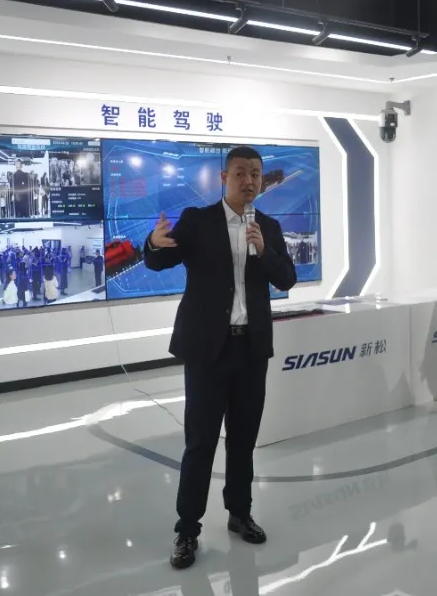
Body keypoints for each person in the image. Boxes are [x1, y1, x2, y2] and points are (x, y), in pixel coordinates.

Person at [143, 145, 297, 570]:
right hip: (208, 351)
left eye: (256, 174)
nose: (250, 181)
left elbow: (287, 278)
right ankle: (187, 529)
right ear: (224, 177)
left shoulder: (268, 227)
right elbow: (160, 259)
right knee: (201, 442)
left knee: (243, 440)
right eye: (241, 173)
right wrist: (152, 244)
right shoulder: (198, 221)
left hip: (251, 350)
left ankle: (239, 513)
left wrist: (265, 251)